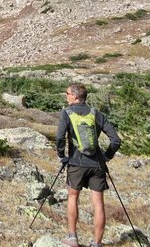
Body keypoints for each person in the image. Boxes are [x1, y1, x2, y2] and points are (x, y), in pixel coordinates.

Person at [56, 83, 121, 247]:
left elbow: (59, 138)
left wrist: (62, 156)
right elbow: (116, 140)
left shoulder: (66, 113)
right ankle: (97, 243)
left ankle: (72, 237)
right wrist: (106, 156)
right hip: (97, 164)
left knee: (73, 196)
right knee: (98, 204)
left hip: (76, 163)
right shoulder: (97, 114)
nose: (66, 95)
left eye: (67, 93)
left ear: (75, 96)